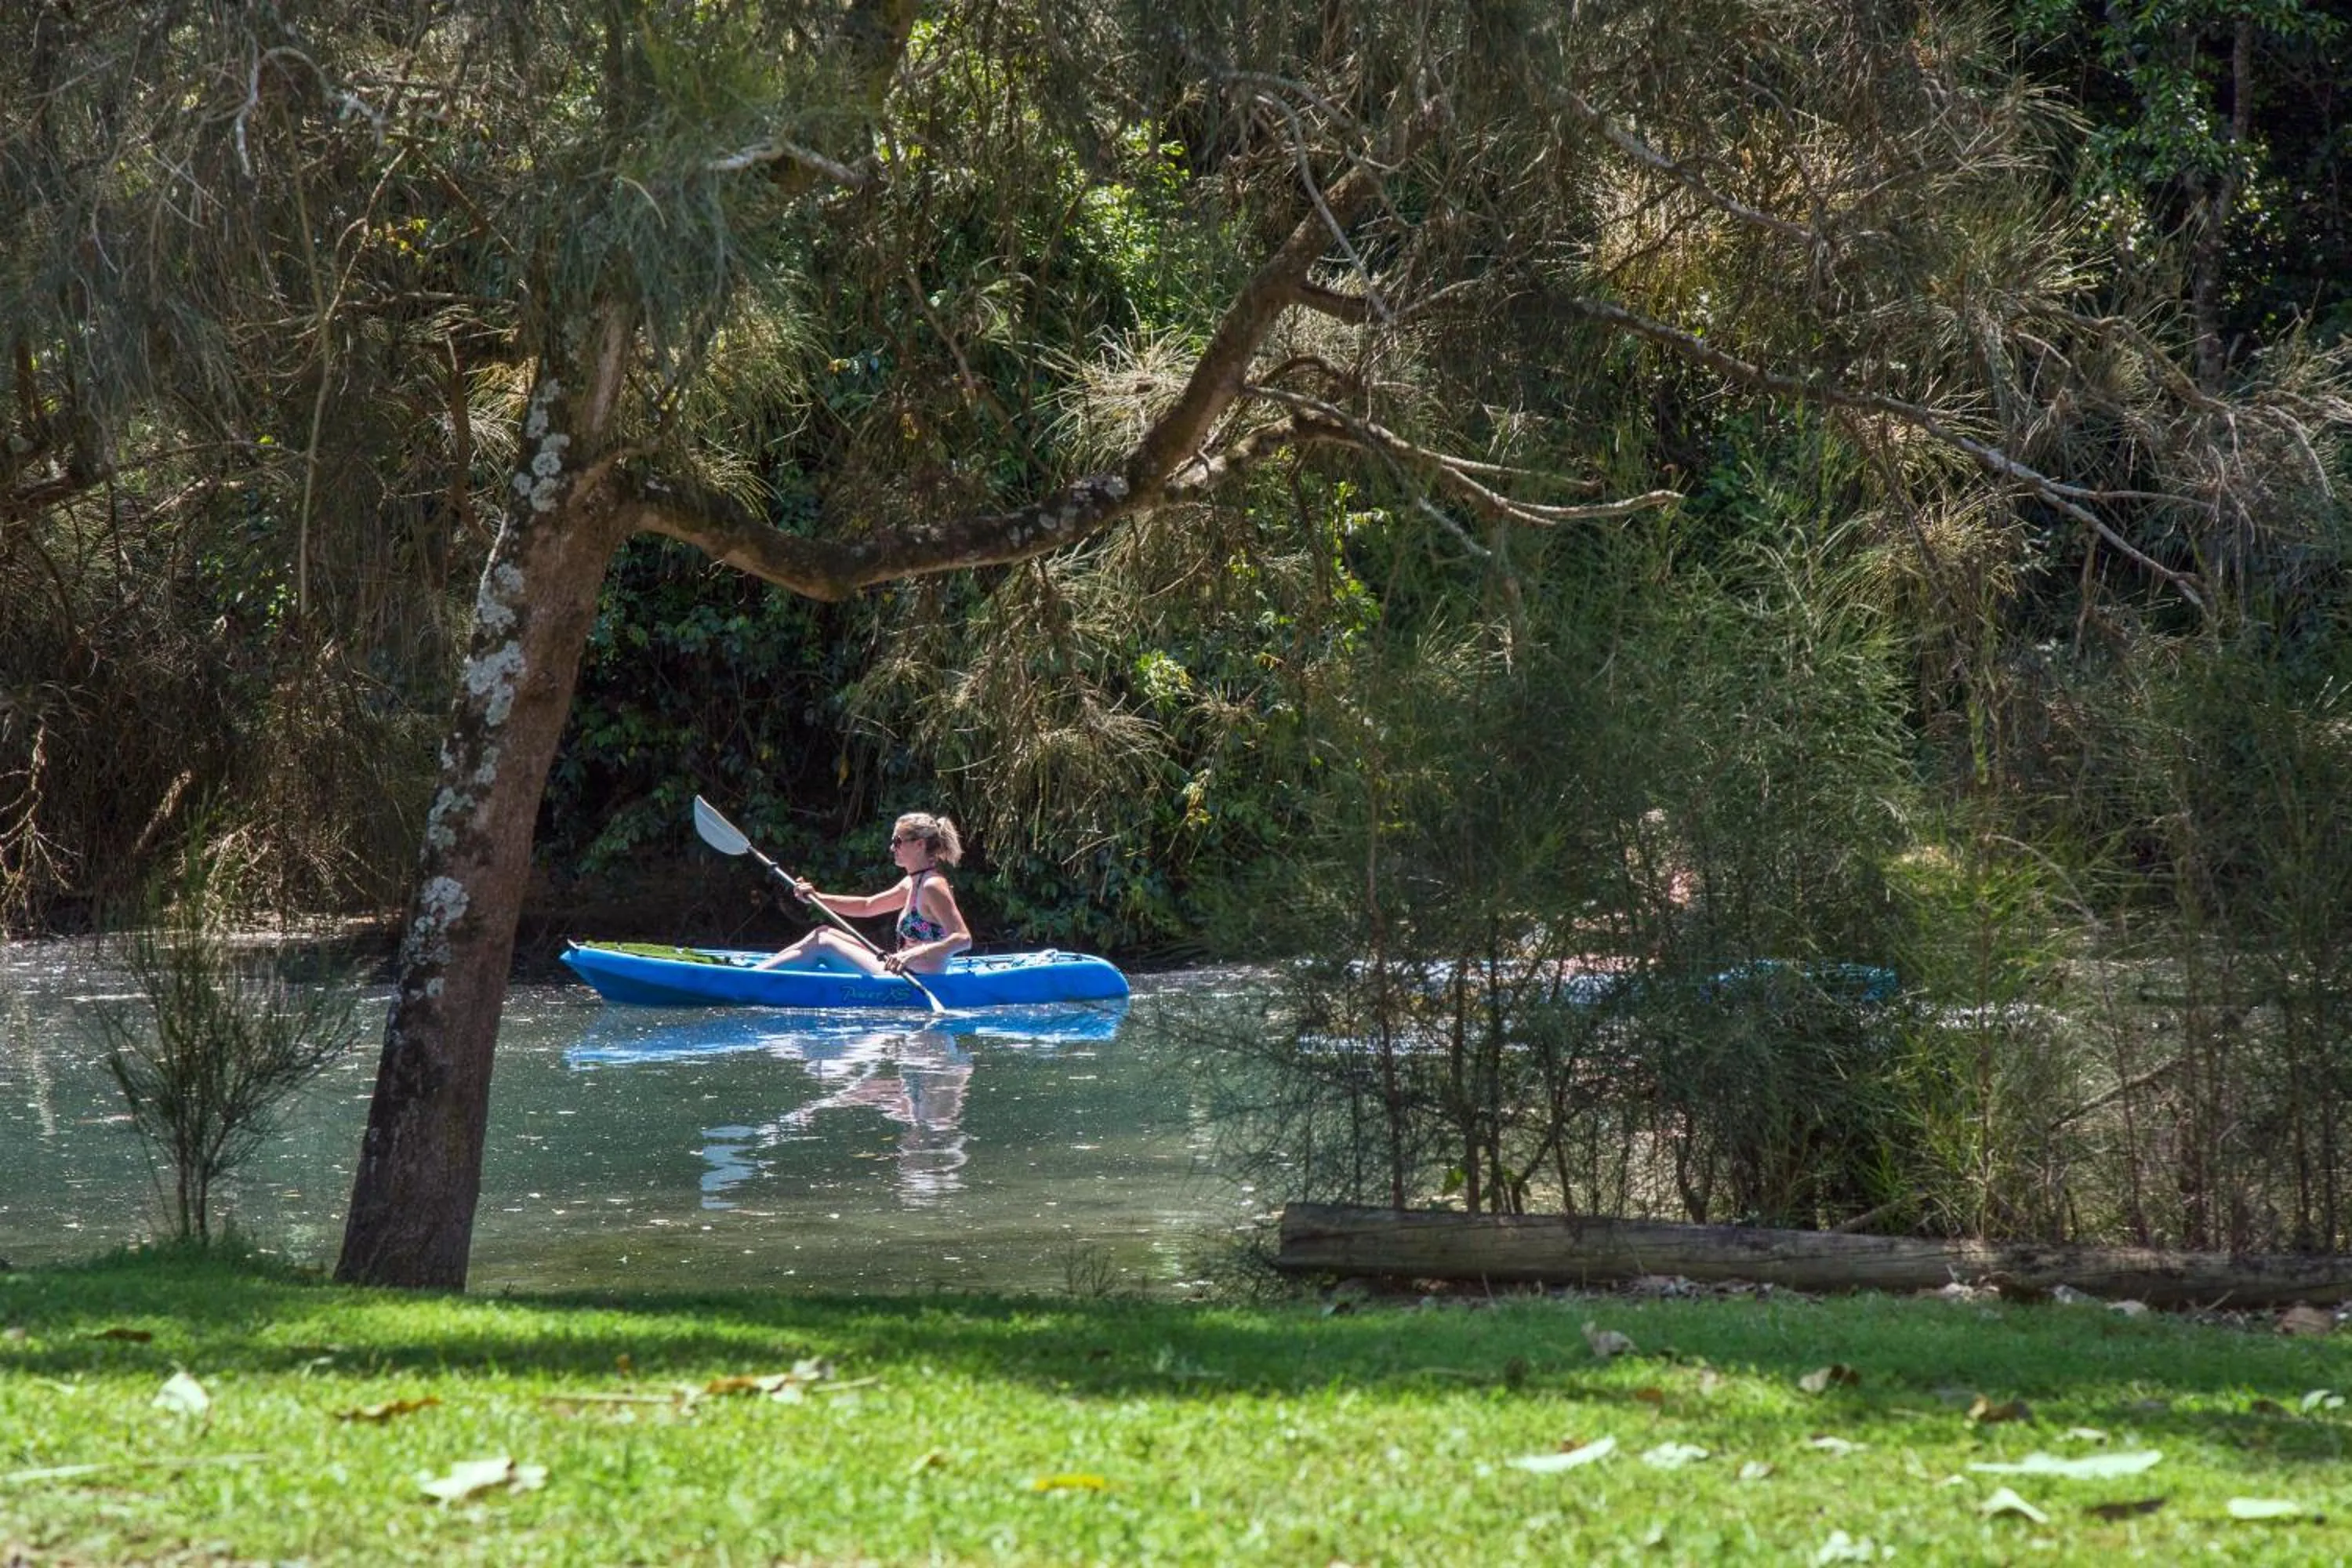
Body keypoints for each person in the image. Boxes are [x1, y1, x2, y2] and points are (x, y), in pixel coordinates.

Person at [755, 812, 972, 975]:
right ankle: (756, 973)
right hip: (899, 971)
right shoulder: (911, 882)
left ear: (919, 844)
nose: (891, 848)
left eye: (897, 841)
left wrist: (913, 954)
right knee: (824, 932)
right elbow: (867, 906)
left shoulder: (932, 885)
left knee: (824, 944)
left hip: (915, 979)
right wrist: (818, 897)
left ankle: (751, 979)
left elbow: (963, 939)